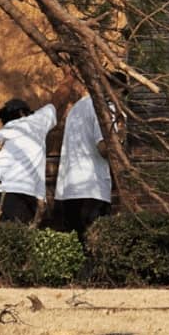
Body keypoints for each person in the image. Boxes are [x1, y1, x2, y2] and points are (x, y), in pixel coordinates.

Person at [0, 81, 79, 223]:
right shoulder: (33, 123)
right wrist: (71, 76)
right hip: (21, 195)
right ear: (22, 113)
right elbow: (58, 100)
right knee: (20, 241)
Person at [54, 89, 114, 240]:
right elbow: (103, 148)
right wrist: (121, 130)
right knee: (96, 246)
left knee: (76, 246)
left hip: (69, 189)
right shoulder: (104, 107)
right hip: (93, 187)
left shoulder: (76, 108)